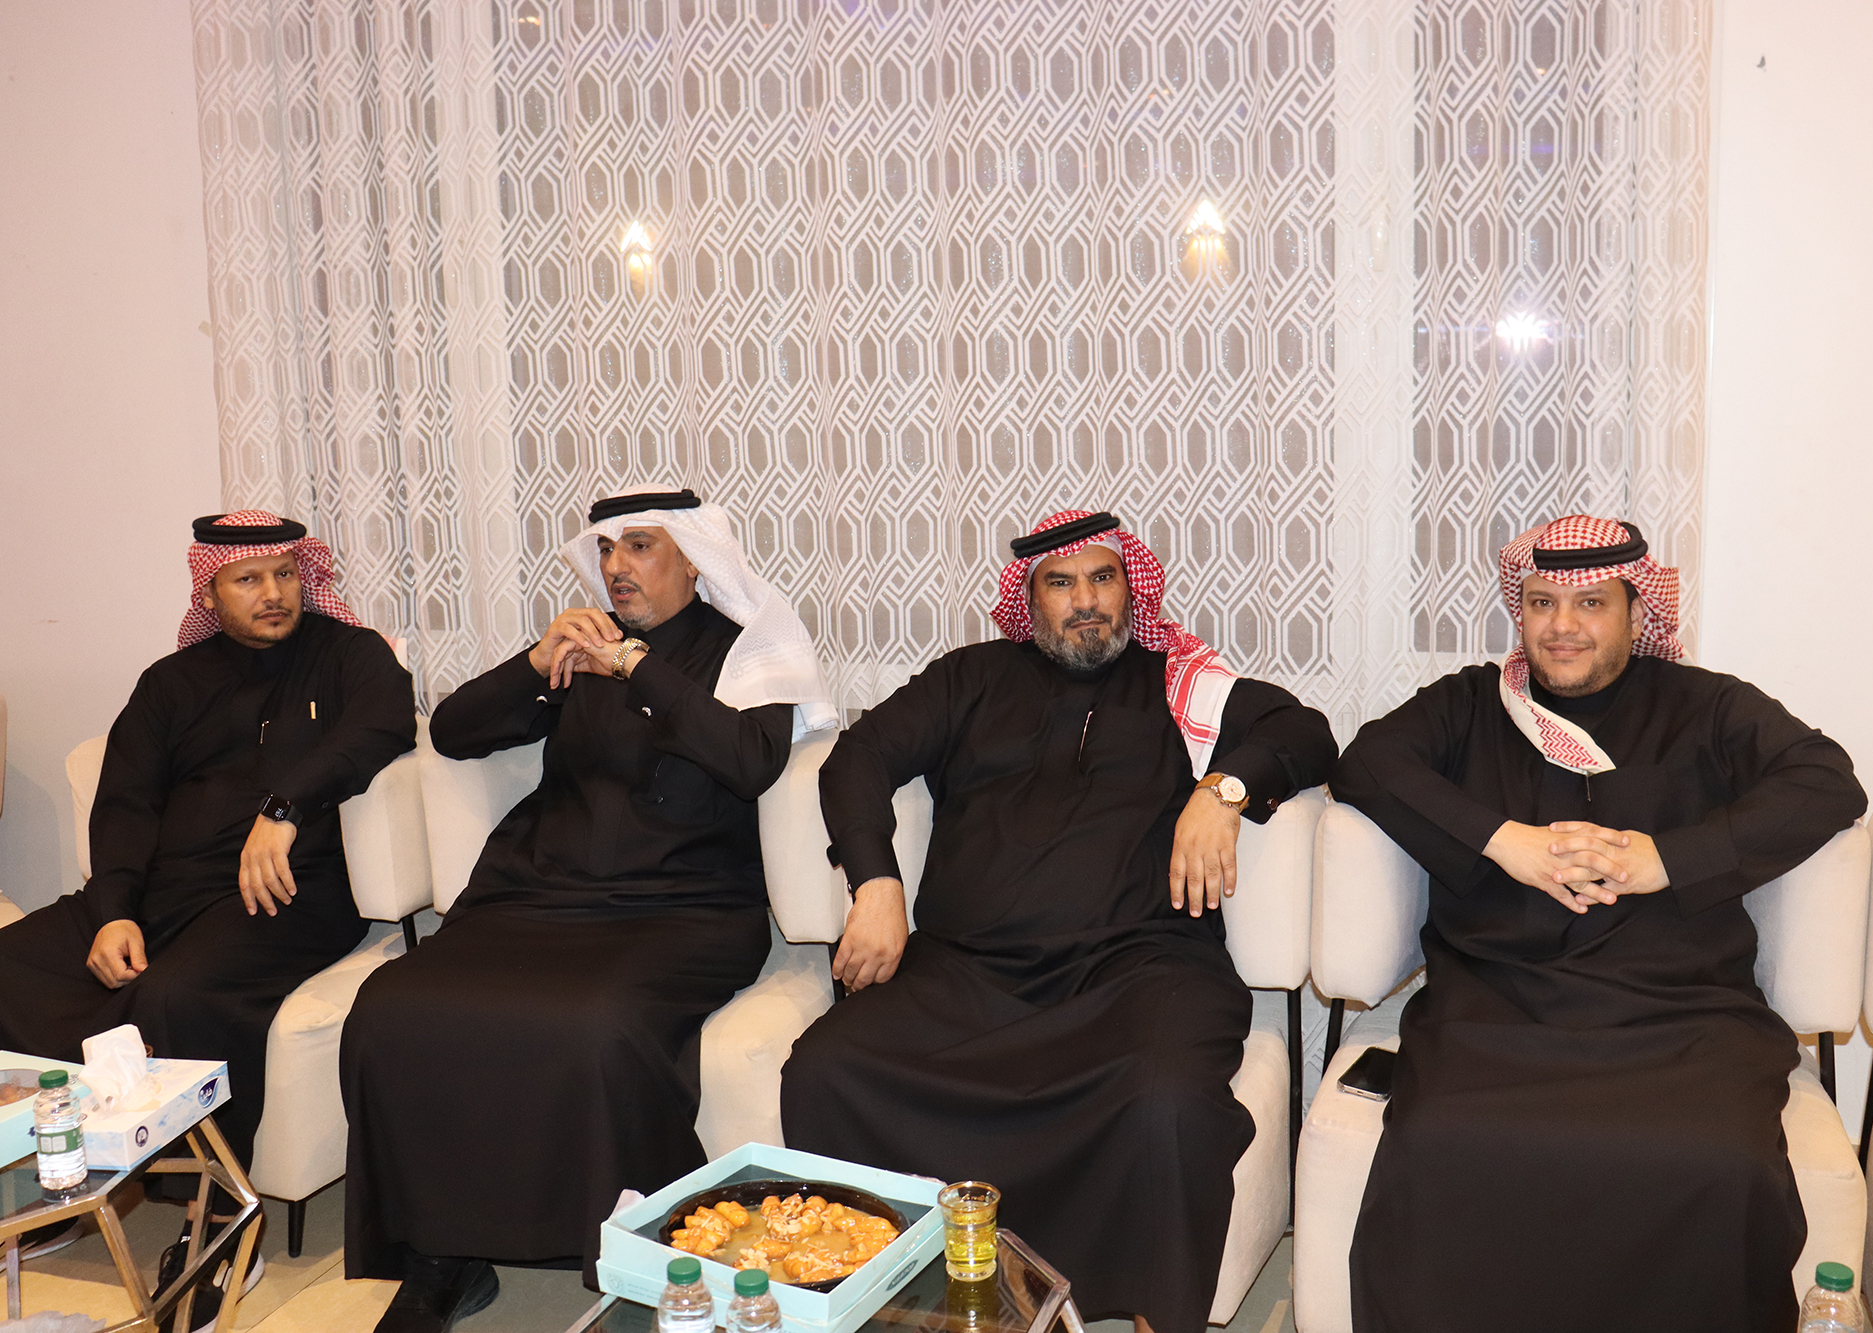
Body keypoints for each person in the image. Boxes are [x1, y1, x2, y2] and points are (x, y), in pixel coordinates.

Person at [781, 510, 1335, 1333]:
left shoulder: (1179, 683)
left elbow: (1306, 731)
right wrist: (876, 881)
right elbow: (858, 758)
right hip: (968, 973)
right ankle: (881, 1298)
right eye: (1061, 583)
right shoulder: (970, 678)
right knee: (826, 1067)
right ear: (1030, 600)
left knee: (1170, 1100)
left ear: (1130, 588)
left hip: (1140, 971)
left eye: (1103, 578)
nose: (1085, 601)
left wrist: (1222, 791)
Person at [1333, 514, 1868, 1333]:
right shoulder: (1473, 704)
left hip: (1679, 1013)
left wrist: (1668, 858)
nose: (1563, 626)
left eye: (1590, 604)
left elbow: (1827, 780)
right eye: (1541, 602)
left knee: (1724, 1161)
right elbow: (1366, 761)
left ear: (1635, 611)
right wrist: (1502, 840)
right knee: (1439, 1137)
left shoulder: (1705, 706)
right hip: (1499, 1010)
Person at [341, 487, 835, 1333]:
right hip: (541, 894)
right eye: (607, 549)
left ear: (694, 560)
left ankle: (640, 1254)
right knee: (392, 1005)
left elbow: (751, 760)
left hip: (684, 905)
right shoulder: (579, 646)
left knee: (598, 1024)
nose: (615, 567)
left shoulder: (745, 650)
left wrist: (639, 669)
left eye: (638, 547)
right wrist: (537, 663)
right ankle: (440, 1257)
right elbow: (454, 731)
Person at [0, 509, 416, 1302]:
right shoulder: (170, 683)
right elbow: (125, 803)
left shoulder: (349, 655)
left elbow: (383, 725)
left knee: (176, 995)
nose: (274, 592)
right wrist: (115, 909)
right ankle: (60, 1181)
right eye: (248, 579)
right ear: (209, 592)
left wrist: (285, 805)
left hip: (286, 893)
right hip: (161, 893)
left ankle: (219, 1216)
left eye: (285, 574)